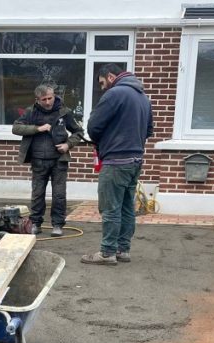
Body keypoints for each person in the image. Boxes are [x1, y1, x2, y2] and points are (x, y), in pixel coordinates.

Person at [82, 64, 153, 265]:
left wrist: (103, 140)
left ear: (111, 77)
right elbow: (148, 130)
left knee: (110, 207)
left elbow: (93, 126)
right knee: (126, 207)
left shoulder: (114, 94)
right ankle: (123, 249)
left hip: (115, 161)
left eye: (103, 83)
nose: (103, 87)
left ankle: (107, 253)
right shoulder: (143, 98)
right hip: (135, 160)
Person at [12, 84, 85, 236]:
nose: (47, 102)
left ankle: (57, 225)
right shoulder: (30, 112)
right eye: (43, 99)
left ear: (54, 95)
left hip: (59, 161)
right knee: (37, 193)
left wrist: (68, 144)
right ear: (37, 100)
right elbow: (16, 128)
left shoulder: (64, 112)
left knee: (59, 194)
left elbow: (78, 132)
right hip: (38, 160)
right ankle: (36, 224)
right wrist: (37, 128)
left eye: (50, 98)